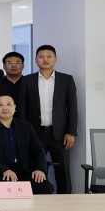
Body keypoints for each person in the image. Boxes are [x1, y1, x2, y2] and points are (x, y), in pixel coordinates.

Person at [18, 45, 78, 194]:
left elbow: (72, 108)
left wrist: (71, 132)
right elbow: (22, 109)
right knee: (33, 169)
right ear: (35, 60)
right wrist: (24, 134)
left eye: (49, 56)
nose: (45, 59)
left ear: (55, 59)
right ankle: (34, 201)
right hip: (35, 133)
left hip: (59, 134)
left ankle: (66, 202)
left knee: (63, 172)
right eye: (41, 56)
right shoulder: (27, 80)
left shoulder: (66, 79)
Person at [0, 95, 54, 194]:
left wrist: (40, 169)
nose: (5, 108)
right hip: (1, 172)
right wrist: (4, 170)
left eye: (9, 104)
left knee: (45, 187)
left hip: (25, 171)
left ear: (15, 107)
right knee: (7, 191)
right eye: (0, 105)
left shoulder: (26, 126)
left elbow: (38, 149)